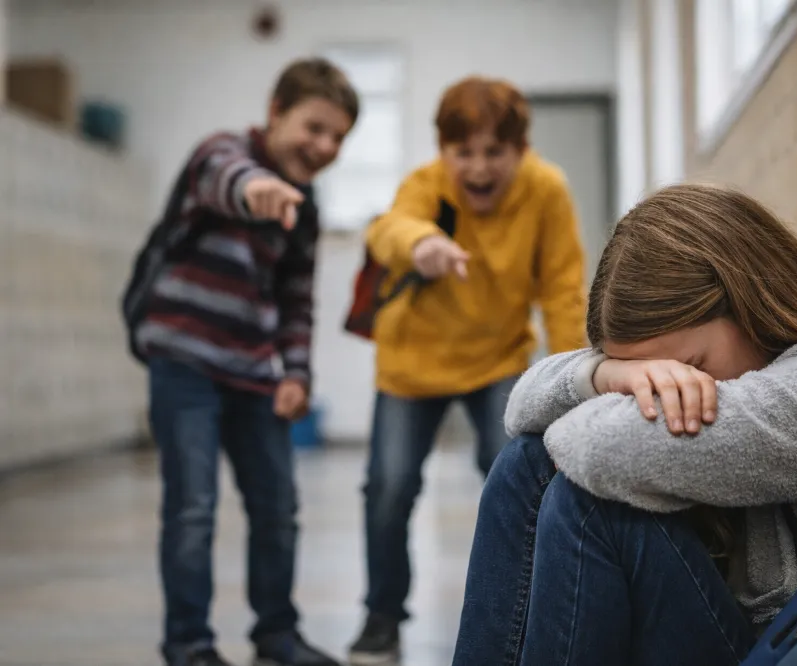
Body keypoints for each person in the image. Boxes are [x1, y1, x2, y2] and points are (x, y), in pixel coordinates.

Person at [450, 184, 797, 666]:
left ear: (748, 304)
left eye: (688, 368)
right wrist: (603, 375)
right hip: (757, 644)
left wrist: (606, 391)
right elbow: (521, 410)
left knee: (587, 503)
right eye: (651, 380)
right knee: (527, 462)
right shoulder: (745, 365)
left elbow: (595, 448)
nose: (668, 391)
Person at [349, 76, 588, 663]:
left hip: (497, 359)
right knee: (389, 487)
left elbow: (562, 290)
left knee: (517, 477)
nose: (478, 168)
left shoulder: (546, 189)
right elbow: (387, 230)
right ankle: (382, 616)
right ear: (443, 150)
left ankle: (527, 611)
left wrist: (572, 385)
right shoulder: (427, 184)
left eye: (494, 152)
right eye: (464, 153)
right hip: (412, 362)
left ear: (521, 149)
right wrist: (421, 244)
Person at [134, 58, 357, 666]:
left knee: (277, 507)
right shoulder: (222, 152)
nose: (324, 146)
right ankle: (189, 644)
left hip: (254, 371)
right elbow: (223, 175)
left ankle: (276, 634)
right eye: (314, 128)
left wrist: (297, 374)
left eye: (338, 137)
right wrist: (254, 189)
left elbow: (296, 301)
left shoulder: (305, 207)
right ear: (275, 112)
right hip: (184, 361)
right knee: (193, 508)